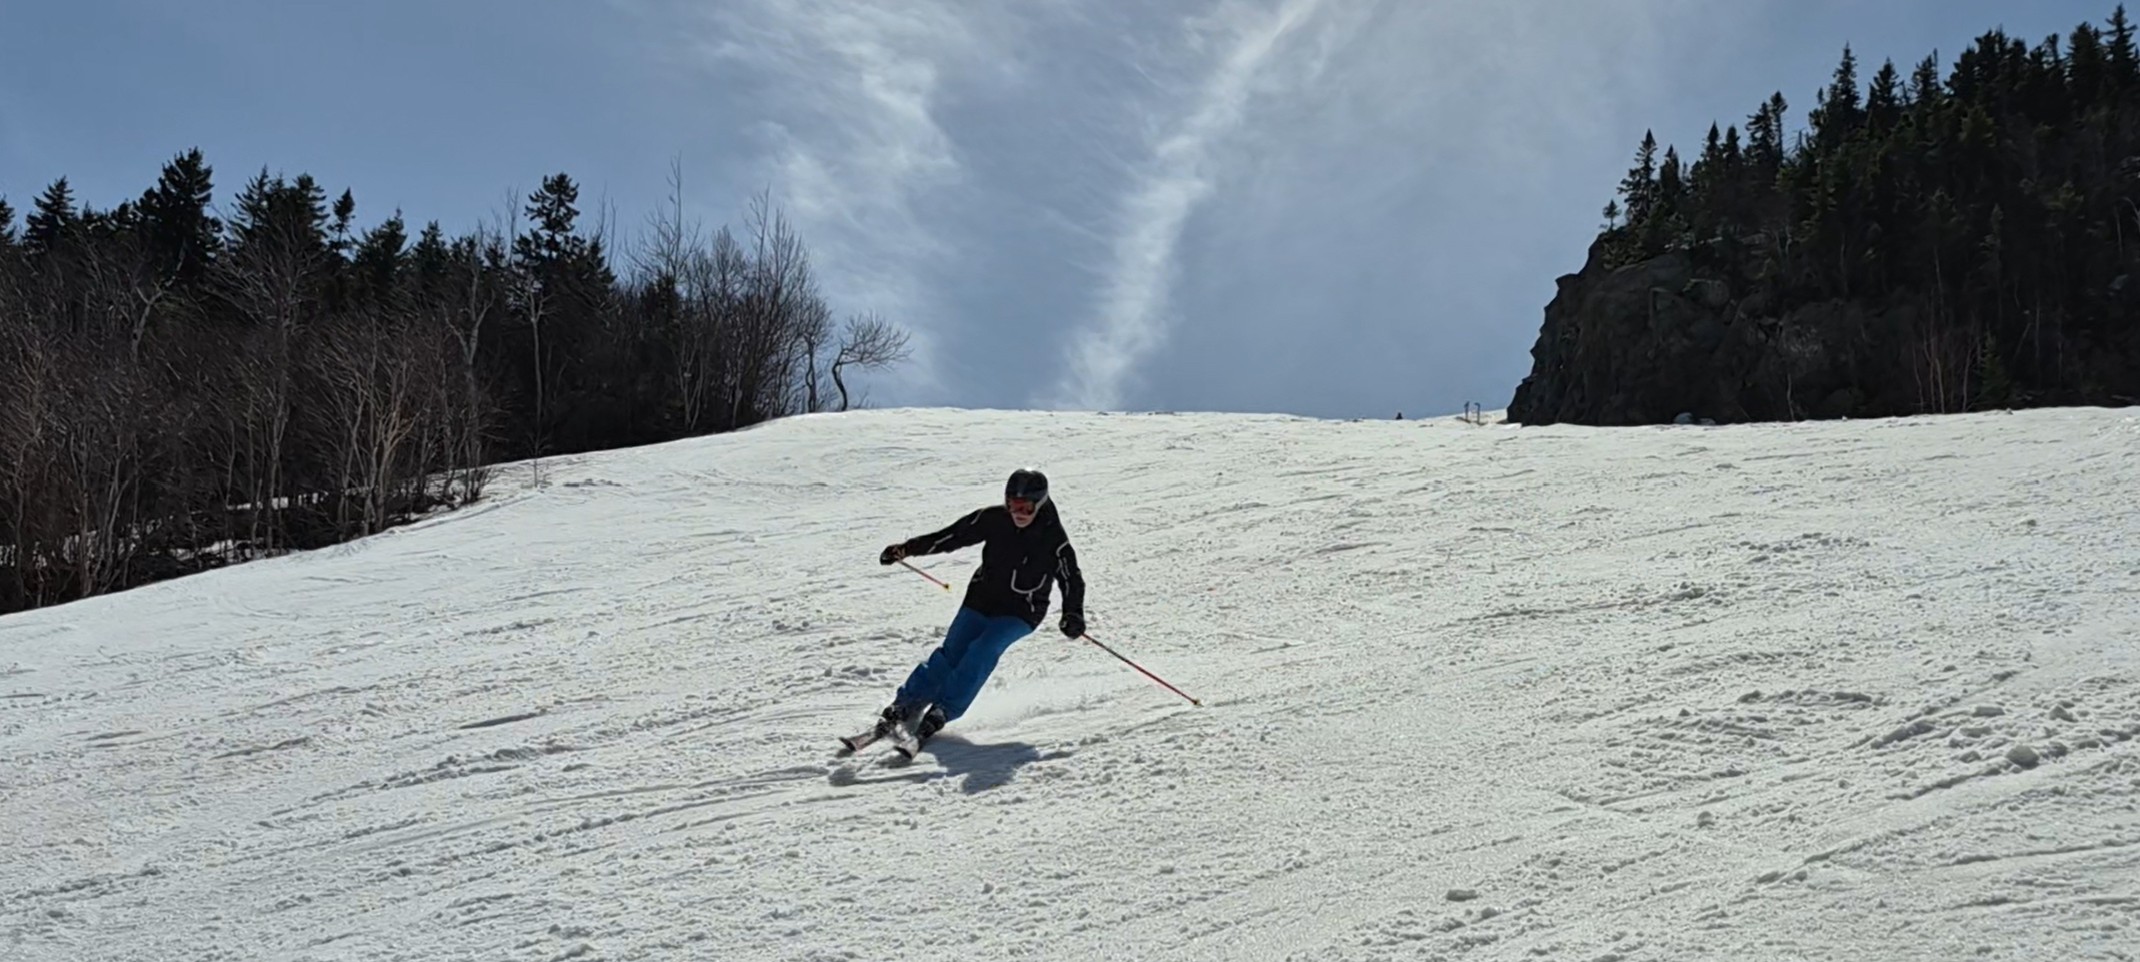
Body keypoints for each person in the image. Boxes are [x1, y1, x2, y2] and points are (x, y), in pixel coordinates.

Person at [870, 467, 1087, 743]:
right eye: (1013, 505)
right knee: (952, 653)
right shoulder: (995, 519)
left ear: (1041, 504)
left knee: (982, 650)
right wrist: (907, 548)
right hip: (982, 598)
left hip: (1021, 612)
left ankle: (943, 709)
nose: (1018, 513)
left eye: (1026, 507)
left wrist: (1073, 614)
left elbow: (1072, 580)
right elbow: (952, 536)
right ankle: (908, 702)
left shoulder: (1054, 540)